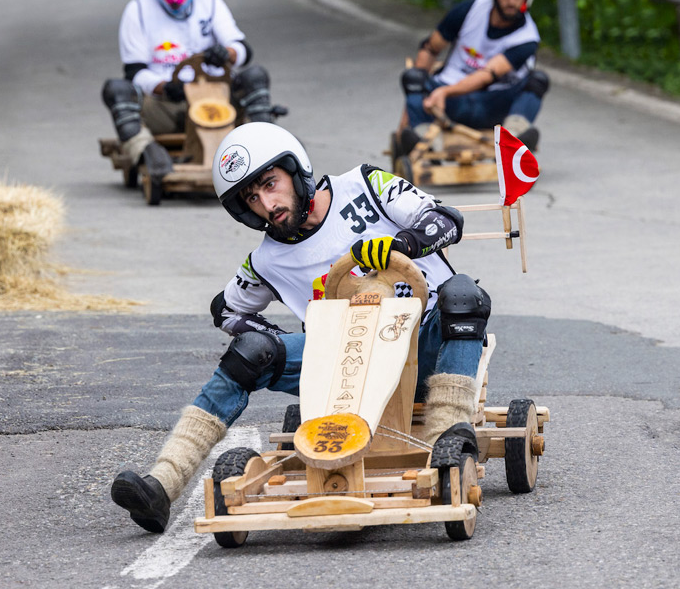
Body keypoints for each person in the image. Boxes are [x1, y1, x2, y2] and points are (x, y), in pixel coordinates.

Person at [110, 122, 493, 533]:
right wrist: (279, 341)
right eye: (252, 198)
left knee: (463, 293)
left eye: (270, 184)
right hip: (344, 362)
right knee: (251, 351)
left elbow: (445, 218)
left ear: (297, 171)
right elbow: (225, 311)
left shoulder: (365, 185)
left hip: (428, 346)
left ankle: (445, 446)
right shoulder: (265, 261)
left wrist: (403, 245)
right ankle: (162, 485)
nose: (267, 204)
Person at [101, 0, 279, 179]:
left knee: (255, 76)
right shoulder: (137, 10)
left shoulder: (212, 4)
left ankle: (269, 148)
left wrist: (226, 53)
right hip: (167, 106)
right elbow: (134, 72)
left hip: (218, 101)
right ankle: (146, 152)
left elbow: (243, 49)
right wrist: (163, 87)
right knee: (116, 89)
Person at [397, 0, 551, 152]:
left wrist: (445, 91)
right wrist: (407, 115)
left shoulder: (528, 38)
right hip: (449, 105)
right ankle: (424, 135)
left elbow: (487, 75)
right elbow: (430, 49)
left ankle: (514, 136)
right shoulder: (468, 11)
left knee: (538, 80)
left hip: (494, 106)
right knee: (413, 77)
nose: (511, 1)